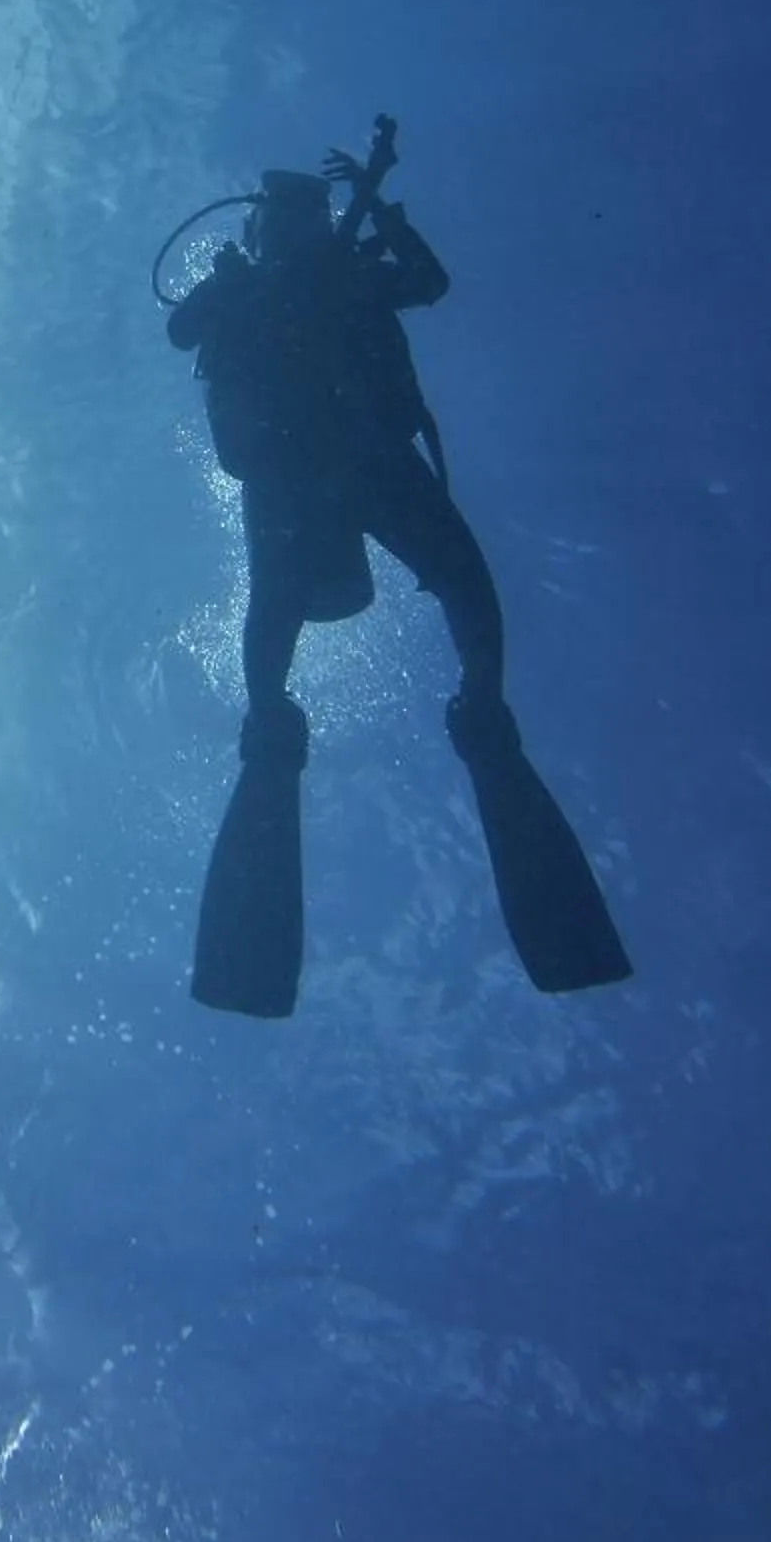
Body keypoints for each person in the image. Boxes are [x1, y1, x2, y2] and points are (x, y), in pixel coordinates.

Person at [164, 132, 630, 1016]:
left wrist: (379, 212)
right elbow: (180, 327)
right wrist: (228, 287)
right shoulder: (247, 284)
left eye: (306, 216)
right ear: (263, 230)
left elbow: (429, 283)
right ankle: (278, 718)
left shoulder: (350, 267)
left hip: (363, 455)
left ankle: (477, 705)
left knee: (456, 576)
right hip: (296, 468)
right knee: (293, 602)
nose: (294, 229)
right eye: (283, 219)